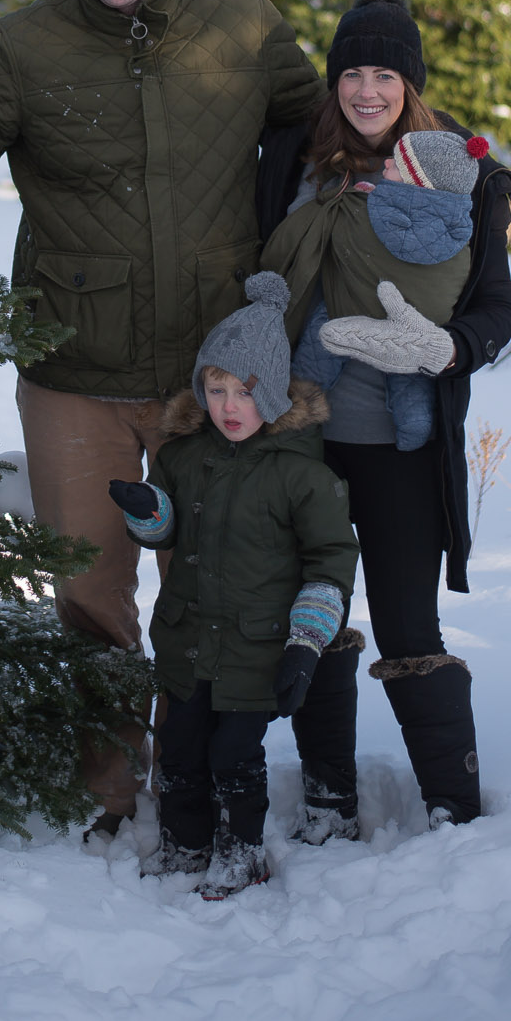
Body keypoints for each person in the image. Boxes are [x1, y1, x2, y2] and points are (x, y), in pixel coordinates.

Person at [0, 0, 326, 833]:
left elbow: (332, 128)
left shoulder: (241, 22)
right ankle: (107, 793)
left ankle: (200, 784)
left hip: (208, 372)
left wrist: (446, 178)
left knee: (211, 587)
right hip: (72, 372)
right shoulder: (25, 46)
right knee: (92, 594)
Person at [255, 0, 511, 841]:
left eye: (385, 75)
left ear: (410, 84)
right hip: (302, 437)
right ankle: (327, 792)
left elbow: (492, 310)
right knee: (312, 608)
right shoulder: (292, 161)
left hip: (402, 444)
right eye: (351, 73)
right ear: (332, 82)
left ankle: (454, 807)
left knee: (408, 623)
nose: (366, 90)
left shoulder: (461, 176)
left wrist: (444, 351)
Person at [108, 273, 359, 896]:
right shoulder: (183, 456)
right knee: (183, 749)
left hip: (258, 648)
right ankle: (185, 843)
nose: (228, 406)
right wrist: (147, 509)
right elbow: (166, 532)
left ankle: (241, 852)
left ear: (270, 393)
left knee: (234, 759)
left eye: (244, 392)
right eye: (216, 389)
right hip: (190, 643)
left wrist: (306, 644)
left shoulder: (300, 474)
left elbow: (331, 560)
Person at [265, 125, 490, 452]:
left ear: (418, 182)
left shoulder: (382, 206)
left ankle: (296, 405)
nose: (386, 166)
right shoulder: (459, 221)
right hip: (418, 324)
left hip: (360, 305)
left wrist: (361, 197)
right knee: (408, 373)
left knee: (324, 335)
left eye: (396, 166)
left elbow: (368, 223)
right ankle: (414, 424)